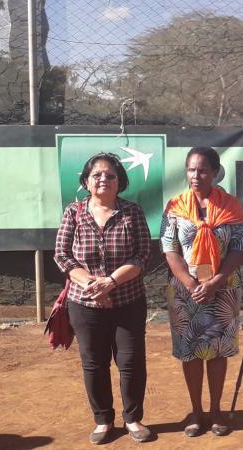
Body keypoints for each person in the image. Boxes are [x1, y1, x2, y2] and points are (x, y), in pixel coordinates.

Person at [54, 152, 153, 444]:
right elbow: (62, 255)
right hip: (84, 304)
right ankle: (103, 420)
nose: (103, 179)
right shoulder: (73, 212)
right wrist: (92, 286)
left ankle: (133, 419)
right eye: (97, 175)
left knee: (131, 361)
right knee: (94, 363)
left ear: (120, 182)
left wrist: (110, 283)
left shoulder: (132, 212)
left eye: (110, 175)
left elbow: (143, 254)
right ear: (86, 181)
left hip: (128, 301)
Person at [160, 147, 243, 437]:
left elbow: (239, 247)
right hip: (186, 294)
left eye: (202, 170)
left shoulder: (231, 206)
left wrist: (215, 282)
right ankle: (196, 412)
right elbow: (169, 249)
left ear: (214, 172)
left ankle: (216, 411)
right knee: (191, 353)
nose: (196, 176)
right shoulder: (174, 206)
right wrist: (190, 283)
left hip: (222, 291)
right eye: (190, 170)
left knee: (219, 351)